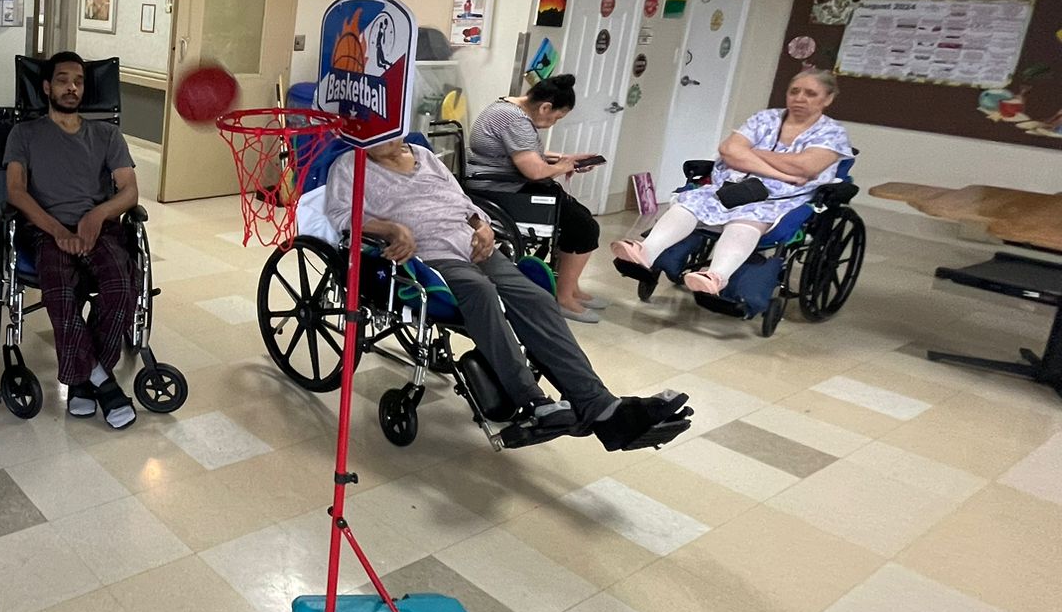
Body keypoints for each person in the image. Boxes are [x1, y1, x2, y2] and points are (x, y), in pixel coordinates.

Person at [318, 135, 689, 451]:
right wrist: (389, 228)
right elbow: (340, 215)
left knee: (536, 298)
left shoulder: (424, 155)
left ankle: (602, 408)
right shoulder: (351, 165)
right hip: (429, 255)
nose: (387, 138)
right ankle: (533, 403)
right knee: (480, 292)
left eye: (393, 130)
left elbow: (461, 201)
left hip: (475, 246)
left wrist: (482, 225)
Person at [613, 69, 852, 296]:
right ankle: (645, 252)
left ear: (828, 98)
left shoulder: (831, 132)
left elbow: (806, 167)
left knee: (749, 217)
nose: (799, 98)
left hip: (781, 197)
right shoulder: (766, 118)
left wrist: (751, 153)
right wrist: (784, 173)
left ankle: (716, 276)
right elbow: (728, 150)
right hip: (733, 186)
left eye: (810, 93)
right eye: (794, 91)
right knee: (692, 202)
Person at [5, 51, 141, 429]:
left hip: (99, 227)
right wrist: (58, 231)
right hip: (46, 229)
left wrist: (97, 215)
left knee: (121, 286)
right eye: (63, 80)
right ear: (46, 87)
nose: (72, 88)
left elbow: (129, 191)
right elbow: (15, 191)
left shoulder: (107, 134)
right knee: (61, 291)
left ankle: (82, 381)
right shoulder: (24, 134)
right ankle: (102, 381)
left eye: (79, 81)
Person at [464, 73, 605, 322]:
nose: (553, 123)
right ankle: (564, 298)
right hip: (499, 188)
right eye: (556, 117)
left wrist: (566, 159)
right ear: (545, 107)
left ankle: (570, 287)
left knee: (580, 218)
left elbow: (525, 152)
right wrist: (562, 166)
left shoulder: (507, 107)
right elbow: (534, 171)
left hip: (504, 183)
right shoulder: (514, 119)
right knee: (584, 227)